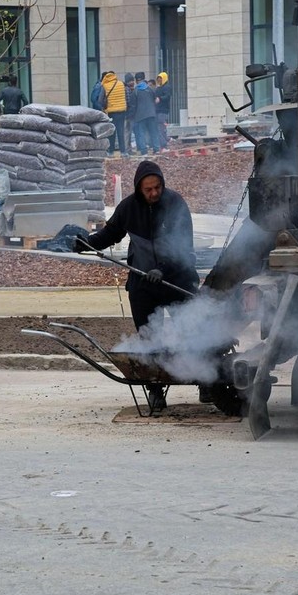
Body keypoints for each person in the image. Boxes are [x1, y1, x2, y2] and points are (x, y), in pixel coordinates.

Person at [74, 160, 199, 410]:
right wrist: (85, 243)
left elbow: (183, 247)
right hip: (143, 284)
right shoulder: (128, 208)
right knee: (149, 340)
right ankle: (155, 390)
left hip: (177, 280)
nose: (154, 193)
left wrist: (162, 269)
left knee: (193, 335)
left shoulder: (175, 204)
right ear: (138, 189)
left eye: (157, 187)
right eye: (148, 189)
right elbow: (110, 234)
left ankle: (207, 384)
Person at [101, 70, 127, 157]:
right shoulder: (121, 84)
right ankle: (123, 152)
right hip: (122, 111)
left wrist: (104, 108)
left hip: (111, 112)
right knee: (121, 131)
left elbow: (100, 100)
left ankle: (111, 152)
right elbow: (126, 96)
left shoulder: (105, 86)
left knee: (112, 132)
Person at [132, 72, 159, 155]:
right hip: (151, 114)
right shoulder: (150, 89)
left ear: (136, 80)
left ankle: (144, 151)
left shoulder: (136, 91)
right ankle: (156, 148)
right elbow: (156, 100)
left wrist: (132, 115)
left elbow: (133, 105)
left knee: (141, 133)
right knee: (153, 132)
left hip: (140, 116)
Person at [155, 71, 172, 150]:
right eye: (158, 79)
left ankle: (164, 145)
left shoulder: (166, 87)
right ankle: (164, 142)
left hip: (163, 110)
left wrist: (160, 99)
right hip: (158, 110)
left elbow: (167, 96)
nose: (159, 81)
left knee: (160, 127)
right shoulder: (159, 87)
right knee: (159, 127)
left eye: (160, 79)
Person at [123, 72, 137, 157]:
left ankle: (128, 149)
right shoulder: (127, 89)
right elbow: (129, 102)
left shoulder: (127, 88)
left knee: (128, 132)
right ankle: (127, 149)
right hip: (128, 114)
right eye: (131, 81)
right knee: (127, 132)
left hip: (126, 114)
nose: (133, 82)